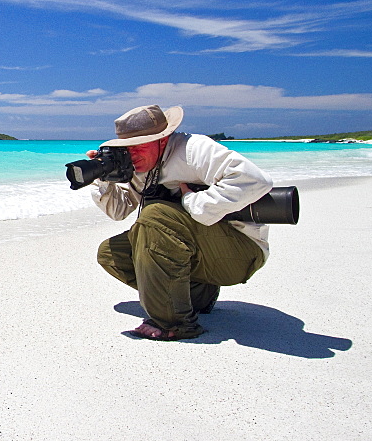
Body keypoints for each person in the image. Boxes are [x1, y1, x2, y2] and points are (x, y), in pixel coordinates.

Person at [89, 105, 273, 340]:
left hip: (240, 252)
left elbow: (256, 180)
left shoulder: (193, 149)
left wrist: (192, 201)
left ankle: (175, 323)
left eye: (139, 145)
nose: (131, 154)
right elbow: (119, 210)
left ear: (163, 140)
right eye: (127, 147)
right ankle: (199, 294)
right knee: (111, 254)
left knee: (155, 215)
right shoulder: (141, 165)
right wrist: (103, 180)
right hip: (202, 256)